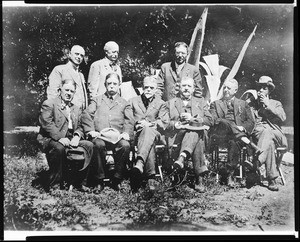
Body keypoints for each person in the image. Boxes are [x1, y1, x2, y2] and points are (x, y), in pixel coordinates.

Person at [35, 79, 93, 192]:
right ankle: (55, 185)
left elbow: (81, 125)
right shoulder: (50, 103)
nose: (69, 93)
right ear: (60, 90)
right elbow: (46, 124)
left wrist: (77, 136)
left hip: (70, 138)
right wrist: (60, 138)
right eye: (66, 90)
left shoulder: (76, 108)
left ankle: (79, 182)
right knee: (59, 148)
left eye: (72, 91)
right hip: (50, 138)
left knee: (89, 145)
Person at [83, 72, 134, 193]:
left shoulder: (124, 102)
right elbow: (86, 115)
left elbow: (129, 120)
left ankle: (117, 179)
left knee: (125, 146)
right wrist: (91, 130)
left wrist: (126, 133)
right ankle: (99, 180)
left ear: (119, 85)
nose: (112, 86)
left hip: (117, 136)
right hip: (100, 135)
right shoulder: (97, 100)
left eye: (114, 84)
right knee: (97, 145)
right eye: (109, 83)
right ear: (105, 85)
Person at [209, 78, 261, 188]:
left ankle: (230, 173)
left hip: (236, 136)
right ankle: (249, 145)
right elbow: (214, 120)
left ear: (236, 90)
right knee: (223, 121)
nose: (226, 90)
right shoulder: (215, 104)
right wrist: (229, 125)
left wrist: (242, 128)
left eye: (229, 88)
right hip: (221, 134)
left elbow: (251, 121)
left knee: (234, 141)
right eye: (224, 88)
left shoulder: (243, 104)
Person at [166, 77, 214, 193]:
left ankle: (181, 158)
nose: (186, 88)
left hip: (197, 136)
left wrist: (192, 118)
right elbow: (164, 122)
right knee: (196, 136)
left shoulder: (200, 102)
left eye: (189, 86)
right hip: (178, 136)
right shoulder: (171, 103)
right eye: (184, 86)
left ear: (193, 89)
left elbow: (210, 120)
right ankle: (199, 178)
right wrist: (176, 123)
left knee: (195, 131)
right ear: (179, 88)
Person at [129, 76, 169, 192]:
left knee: (148, 131)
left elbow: (164, 122)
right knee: (148, 142)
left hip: (156, 135)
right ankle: (151, 179)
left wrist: (150, 124)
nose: (148, 90)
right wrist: (136, 125)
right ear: (142, 88)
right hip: (138, 136)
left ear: (156, 89)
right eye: (146, 87)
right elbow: (128, 119)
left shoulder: (161, 103)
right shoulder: (133, 101)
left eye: (151, 88)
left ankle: (140, 163)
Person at [247, 76, 288, 191]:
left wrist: (268, 105)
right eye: (259, 88)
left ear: (269, 90)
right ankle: (272, 179)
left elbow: (283, 118)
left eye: (264, 88)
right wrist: (249, 103)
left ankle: (256, 162)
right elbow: (248, 121)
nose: (260, 90)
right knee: (268, 142)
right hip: (259, 134)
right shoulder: (252, 104)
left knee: (268, 132)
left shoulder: (276, 103)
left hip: (276, 133)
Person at [46, 45, 88, 111]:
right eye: (76, 54)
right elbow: (52, 93)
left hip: (81, 114)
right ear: (70, 54)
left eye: (81, 55)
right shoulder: (59, 69)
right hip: (65, 113)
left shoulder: (80, 75)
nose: (79, 57)